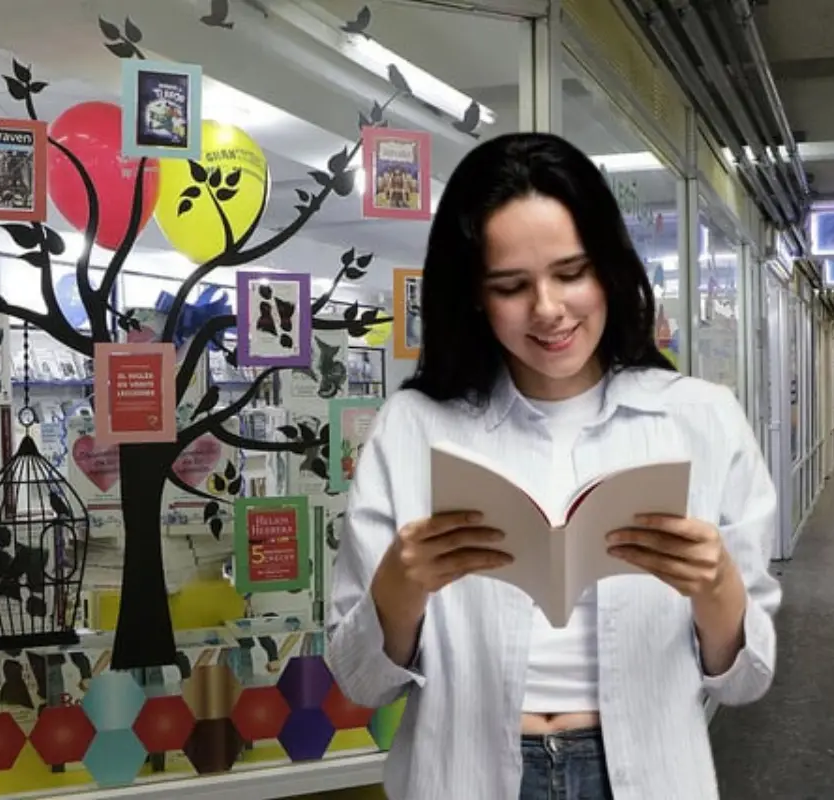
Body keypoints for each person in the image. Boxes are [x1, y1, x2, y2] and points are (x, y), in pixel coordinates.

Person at [327, 132, 780, 800]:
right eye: (512, 286)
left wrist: (717, 593)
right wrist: (401, 585)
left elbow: (747, 681)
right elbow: (362, 682)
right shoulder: (415, 428)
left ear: (611, 269)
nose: (548, 310)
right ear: (475, 296)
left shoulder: (702, 419)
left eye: (571, 273)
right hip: (468, 771)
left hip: (644, 772)